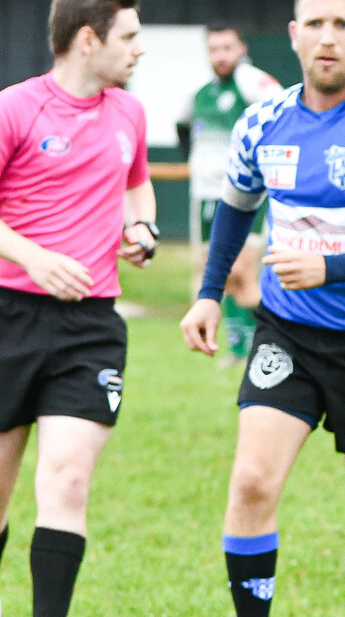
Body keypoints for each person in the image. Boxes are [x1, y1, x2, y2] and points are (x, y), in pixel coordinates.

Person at [0, 0, 155, 617]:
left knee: (66, 480)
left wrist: (141, 228)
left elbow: (137, 186)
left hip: (92, 325)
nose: (139, 49)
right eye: (129, 36)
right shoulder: (12, 109)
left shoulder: (130, 113)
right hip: (9, 317)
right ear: (87, 39)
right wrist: (33, 256)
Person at [179, 0, 345, 617]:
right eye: (318, 24)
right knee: (251, 481)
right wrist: (211, 292)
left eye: (343, 24)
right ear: (293, 36)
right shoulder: (263, 121)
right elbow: (238, 210)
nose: (330, 38)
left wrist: (334, 267)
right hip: (290, 333)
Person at [178, 24, 285, 366]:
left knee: (242, 269)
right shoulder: (199, 91)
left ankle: (279, 335)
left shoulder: (250, 81)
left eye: (227, 48)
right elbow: (182, 127)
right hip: (206, 193)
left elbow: (282, 110)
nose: (220, 56)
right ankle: (241, 349)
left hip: (244, 194)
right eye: (214, 49)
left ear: (241, 49)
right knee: (218, 272)